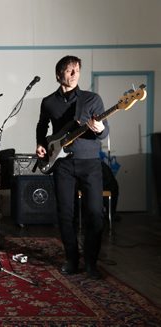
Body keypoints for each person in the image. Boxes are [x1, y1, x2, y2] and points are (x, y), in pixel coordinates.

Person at [36, 55, 109, 280]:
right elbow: (42, 126)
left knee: (95, 213)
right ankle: (71, 259)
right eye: (69, 70)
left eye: (77, 70)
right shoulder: (48, 102)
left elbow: (105, 133)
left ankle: (91, 263)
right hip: (63, 164)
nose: (74, 74)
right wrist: (40, 143)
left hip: (90, 163)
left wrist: (98, 128)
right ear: (59, 75)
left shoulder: (91, 99)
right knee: (65, 214)